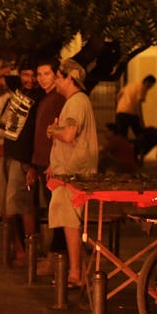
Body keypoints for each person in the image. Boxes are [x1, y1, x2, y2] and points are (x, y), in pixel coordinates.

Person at [45, 59, 99, 288]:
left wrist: (52, 130)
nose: (56, 81)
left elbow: (68, 135)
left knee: (70, 223)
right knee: (67, 222)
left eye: (58, 76)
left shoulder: (76, 102)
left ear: (69, 78)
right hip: (66, 174)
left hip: (73, 177)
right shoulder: (76, 102)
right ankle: (75, 271)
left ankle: (75, 273)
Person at [0, 62, 44, 265]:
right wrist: (10, 66)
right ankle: (16, 251)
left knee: (22, 207)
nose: (31, 80)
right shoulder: (17, 86)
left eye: (35, 75)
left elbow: (38, 134)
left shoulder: (42, 96)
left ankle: (30, 254)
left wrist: (33, 164)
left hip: (24, 158)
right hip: (8, 154)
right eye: (26, 75)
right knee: (3, 207)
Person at [28, 58, 64, 272]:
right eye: (39, 75)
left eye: (46, 74)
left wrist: (52, 162)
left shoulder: (59, 99)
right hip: (42, 164)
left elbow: (59, 134)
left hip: (53, 166)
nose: (41, 79)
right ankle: (54, 257)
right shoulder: (45, 98)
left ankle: (56, 259)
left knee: (58, 214)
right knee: (52, 212)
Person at [114, 74, 157, 139]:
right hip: (131, 112)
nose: (150, 88)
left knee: (122, 135)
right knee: (140, 133)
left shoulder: (131, 85)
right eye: (150, 85)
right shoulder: (142, 87)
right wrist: (141, 118)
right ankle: (142, 147)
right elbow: (138, 103)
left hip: (120, 112)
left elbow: (118, 96)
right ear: (147, 82)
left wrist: (117, 107)